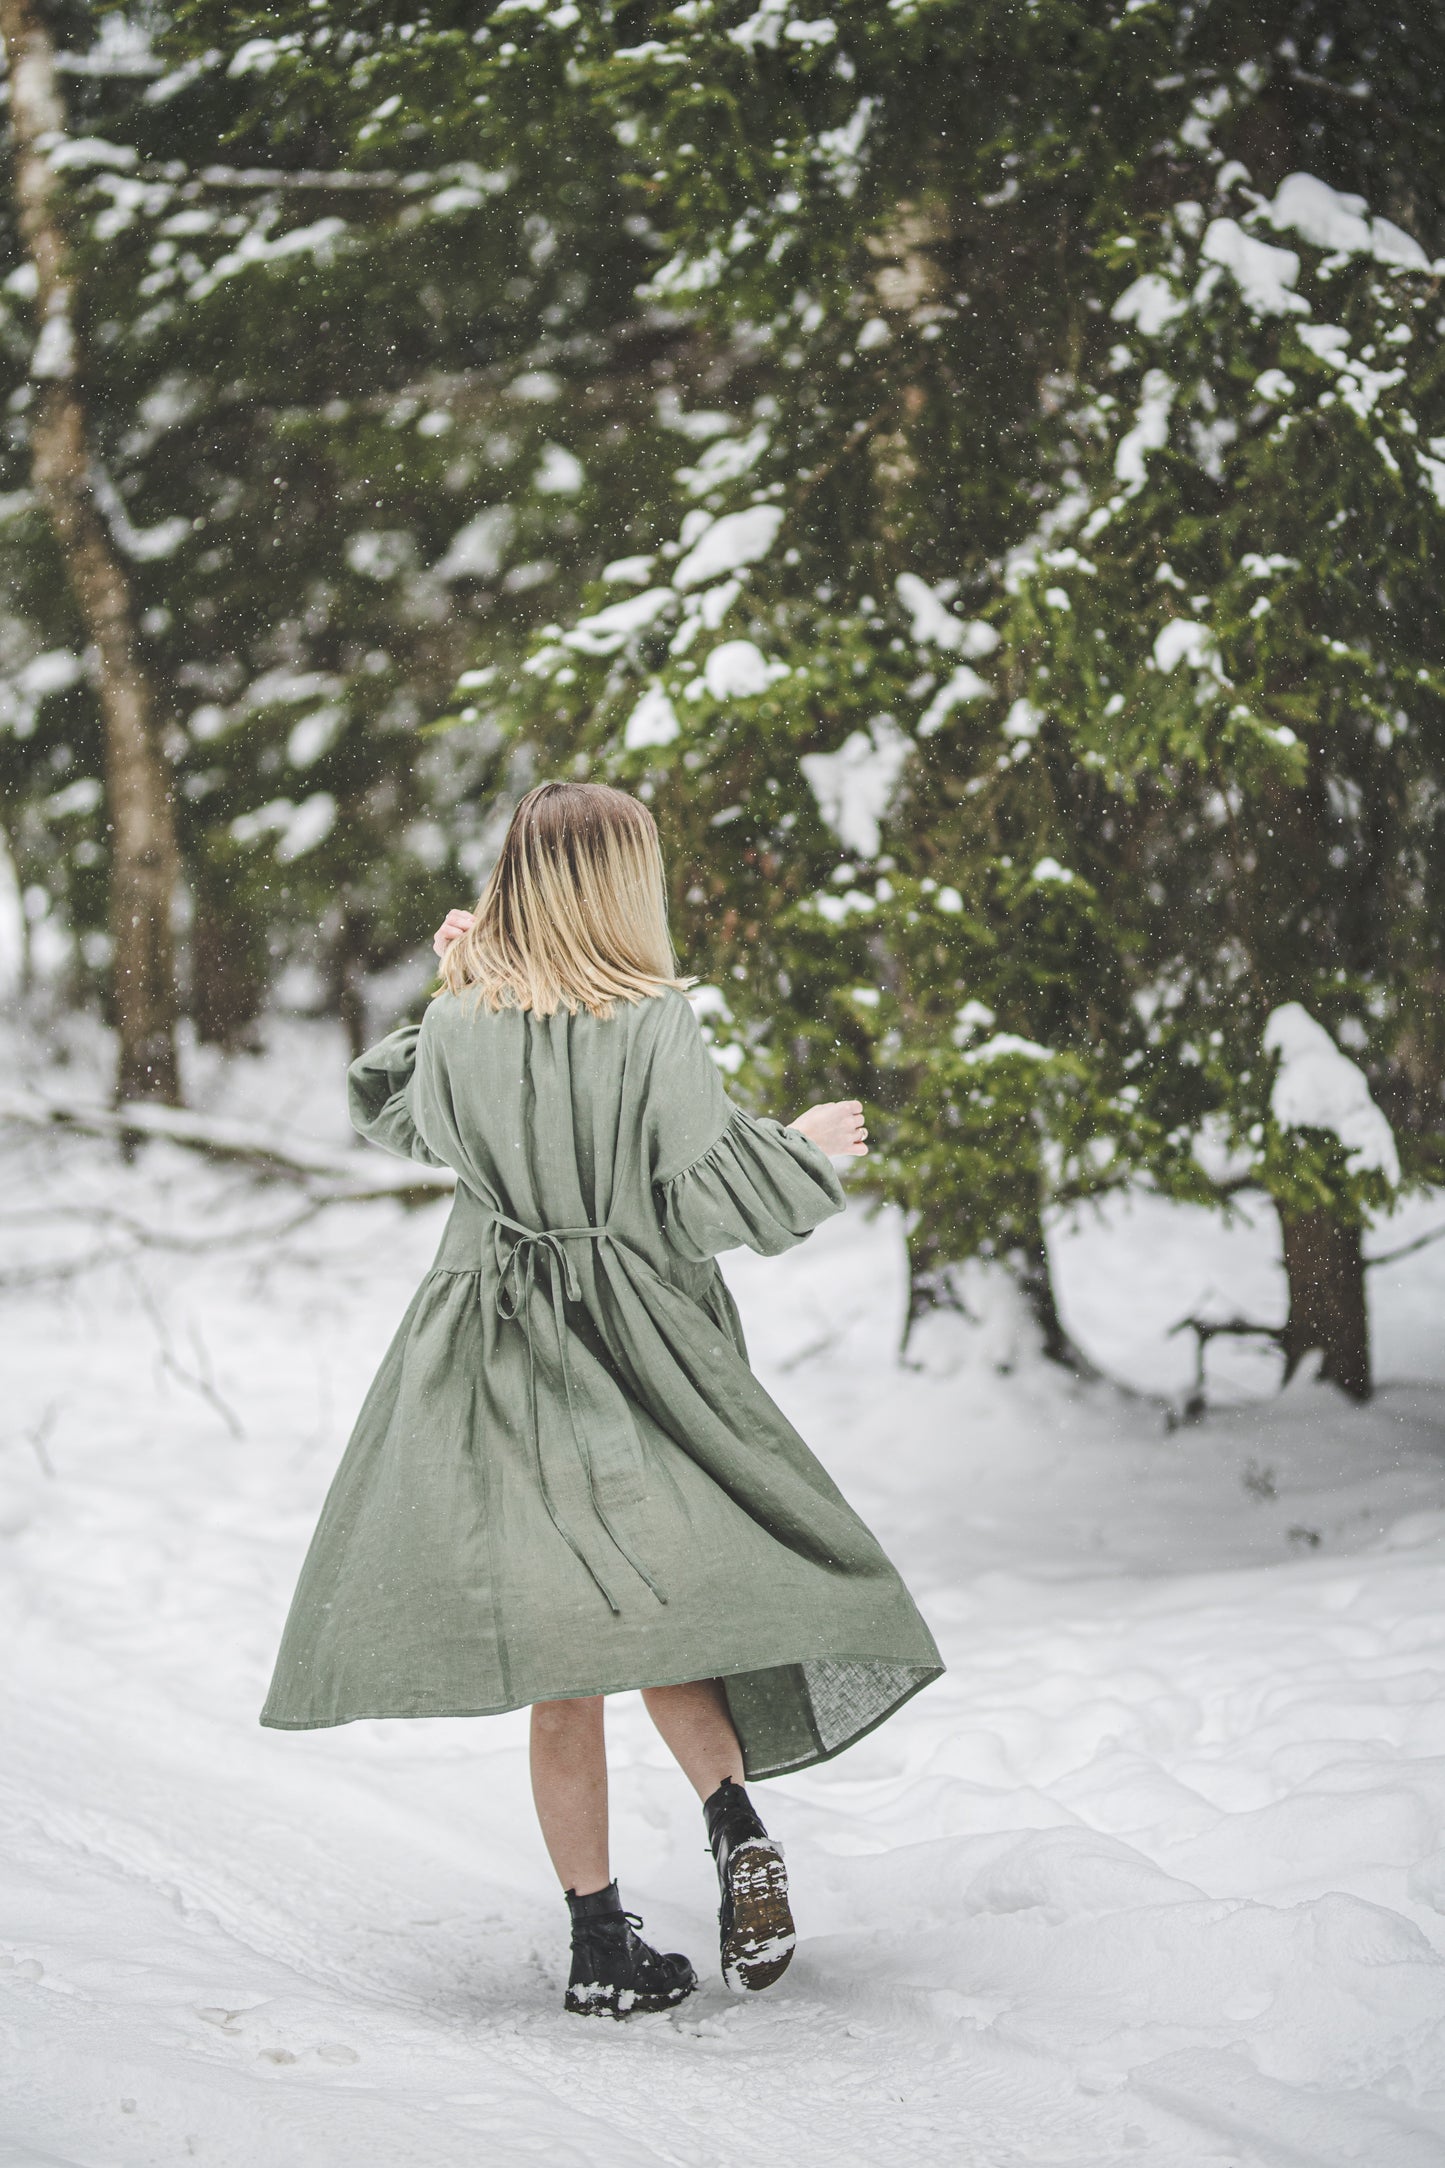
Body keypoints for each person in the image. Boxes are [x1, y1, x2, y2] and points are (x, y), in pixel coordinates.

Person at [262, 781, 942, 2017]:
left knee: (558, 1659)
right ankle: (732, 1819)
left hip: (494, 1346)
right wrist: (803, 1149)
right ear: (624, 883)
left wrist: (457, 979)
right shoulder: (651, 1024)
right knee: (664, 1614)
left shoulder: (466, 1020)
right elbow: (696, 1193)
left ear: (517, 872)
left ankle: (596, 1942)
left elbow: (407, 1118)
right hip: (636, 1343)